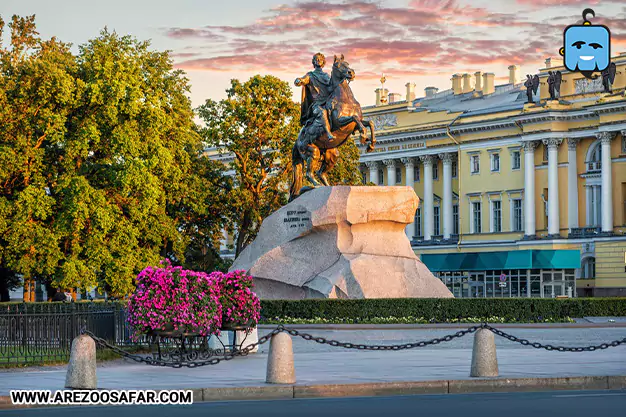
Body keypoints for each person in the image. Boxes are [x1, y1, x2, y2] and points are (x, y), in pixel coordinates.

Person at [295, 53, 335, 140]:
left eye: (320, 59)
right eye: (316, 59)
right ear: (313, 62)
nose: (318, 60)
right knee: (322, 112)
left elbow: (332, 88)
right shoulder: (310, 75)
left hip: (327, 102)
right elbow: (303, 80)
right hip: (317, 104)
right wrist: (299, 80)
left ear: (323, 62)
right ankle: (328, 133)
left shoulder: (327, 76)